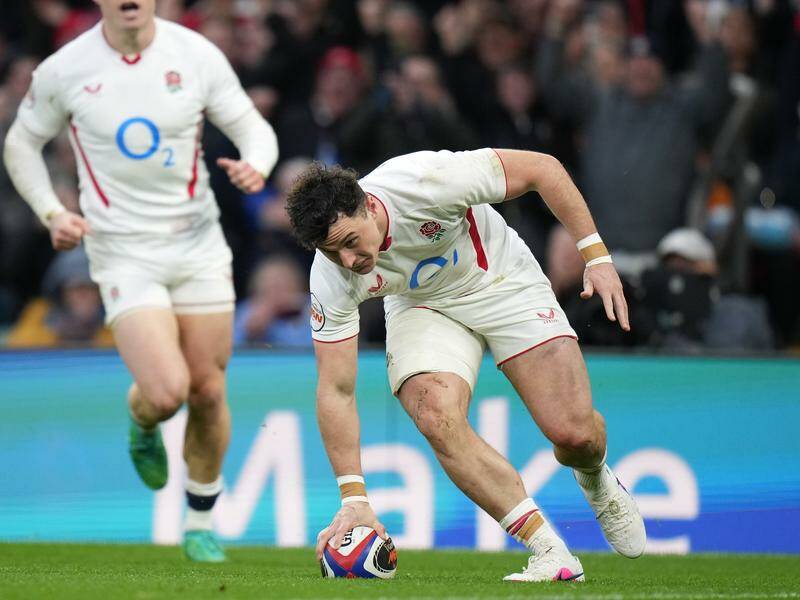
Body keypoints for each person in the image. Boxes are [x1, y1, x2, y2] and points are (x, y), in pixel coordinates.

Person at [286, 148, 646, 582]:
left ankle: (593, 475)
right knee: (434, 414)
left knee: (574, 434)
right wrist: (353, 497)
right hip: (422, 306)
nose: (348, 261)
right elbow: (336, 390)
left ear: (365, 204)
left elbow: (544, 169)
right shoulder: (332, 277)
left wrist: (598, 259)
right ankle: (551, 552)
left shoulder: (425, 181)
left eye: (348, 242)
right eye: (331, 252)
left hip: (500, 279)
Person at [3, 0, 278, 562]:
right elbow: (19, 143)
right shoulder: (65, 68)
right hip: (123, 252)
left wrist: (258, 164)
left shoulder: (195, 54)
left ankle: (200, 521)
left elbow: (254, 128)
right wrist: (51, 212)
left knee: (207, 389)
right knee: (166, 390)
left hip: (198, 245)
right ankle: (142, 416)